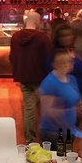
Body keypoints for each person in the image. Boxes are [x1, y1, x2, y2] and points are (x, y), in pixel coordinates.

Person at [9, 10, 54, 143]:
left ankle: (30, 141)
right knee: (46, 108)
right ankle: (47, 139)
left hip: (24, 77)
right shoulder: (43, 38)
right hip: (42, 78)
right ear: (36, 22)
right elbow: (49, 59)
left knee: (29, 109)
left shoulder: (15, 37)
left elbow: (12, 57)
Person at [38, 50, 82, 147]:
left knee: (67, 160)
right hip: (53, 133)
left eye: (69, 62)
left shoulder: (72, 79)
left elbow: (76, 99)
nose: (66, 65)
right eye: (62, 62)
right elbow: (47, 112)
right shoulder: (49, 82)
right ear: (54, 64)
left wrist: (80, 104)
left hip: (69, 131)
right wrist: (71, 110)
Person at [51, 22, 82, 107]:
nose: (67, 38)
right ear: (57, 38)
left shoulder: (72, 50)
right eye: (63, 36)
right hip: (68, 100)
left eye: (69, 35)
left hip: (80, 97)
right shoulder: (55, 55)